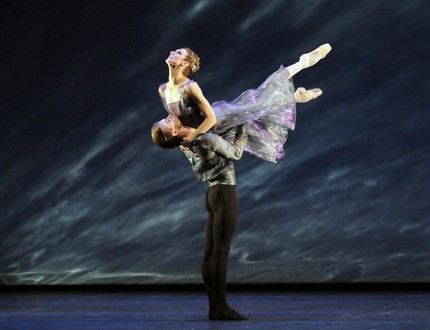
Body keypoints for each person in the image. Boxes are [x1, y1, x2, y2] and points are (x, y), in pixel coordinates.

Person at [154, 44, 331, 163]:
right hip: (212, 131)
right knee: (259, 106)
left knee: (260, 101)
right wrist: (180, 141)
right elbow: (177, 121)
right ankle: (295, 95)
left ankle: (302, 65)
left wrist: (191, 137)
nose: (172, 53)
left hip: (219, 118)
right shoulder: (163, 89)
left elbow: (210, 120)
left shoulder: (189, 87)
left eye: (177, 53)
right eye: (175, 52)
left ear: (184, 63)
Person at [158, 114, 249, 320]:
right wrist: (244, 125)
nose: (168, 116)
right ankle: (222, 308)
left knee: (211, 253)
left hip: (212, 195)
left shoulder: (186, 143)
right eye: (166, 121)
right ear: (173, 132)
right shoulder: (203, 139)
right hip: (225, 193)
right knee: (220, 253)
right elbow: (235, 153)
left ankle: (214, 308)